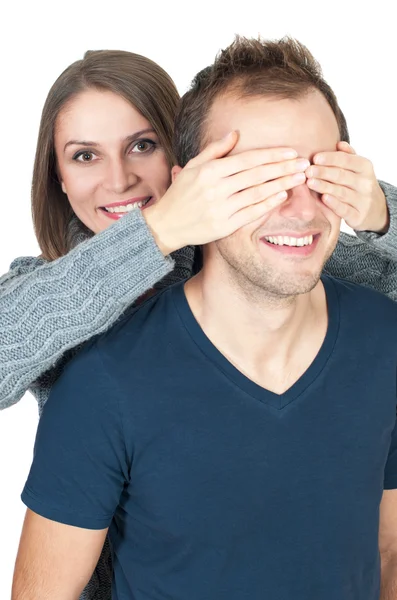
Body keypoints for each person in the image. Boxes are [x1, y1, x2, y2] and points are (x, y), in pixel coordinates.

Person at [11, 36, 397, 600]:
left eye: (142, 145)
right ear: (58, 177)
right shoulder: (63, 311)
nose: (119, 181)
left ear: (179, 163)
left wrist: (378, 208)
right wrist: (160, 230)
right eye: (84, 154)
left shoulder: (276, 246)